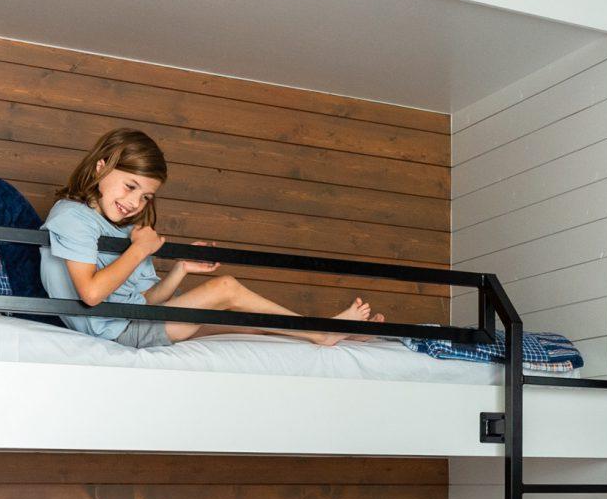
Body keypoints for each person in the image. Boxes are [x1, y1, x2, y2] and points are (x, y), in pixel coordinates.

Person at [40, 126, 383, 348]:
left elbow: (148, 300)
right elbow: (91, 292)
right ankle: (322, 332)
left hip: (136, 321)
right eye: (130, 186)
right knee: (226, 288)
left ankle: (343, 336)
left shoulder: (127, 232)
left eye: (145, 196)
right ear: (101, 168)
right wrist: (140, 248)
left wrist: (181, 270)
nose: (134, 203)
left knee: (245, 328)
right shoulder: (72, 216)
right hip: (115, 333)